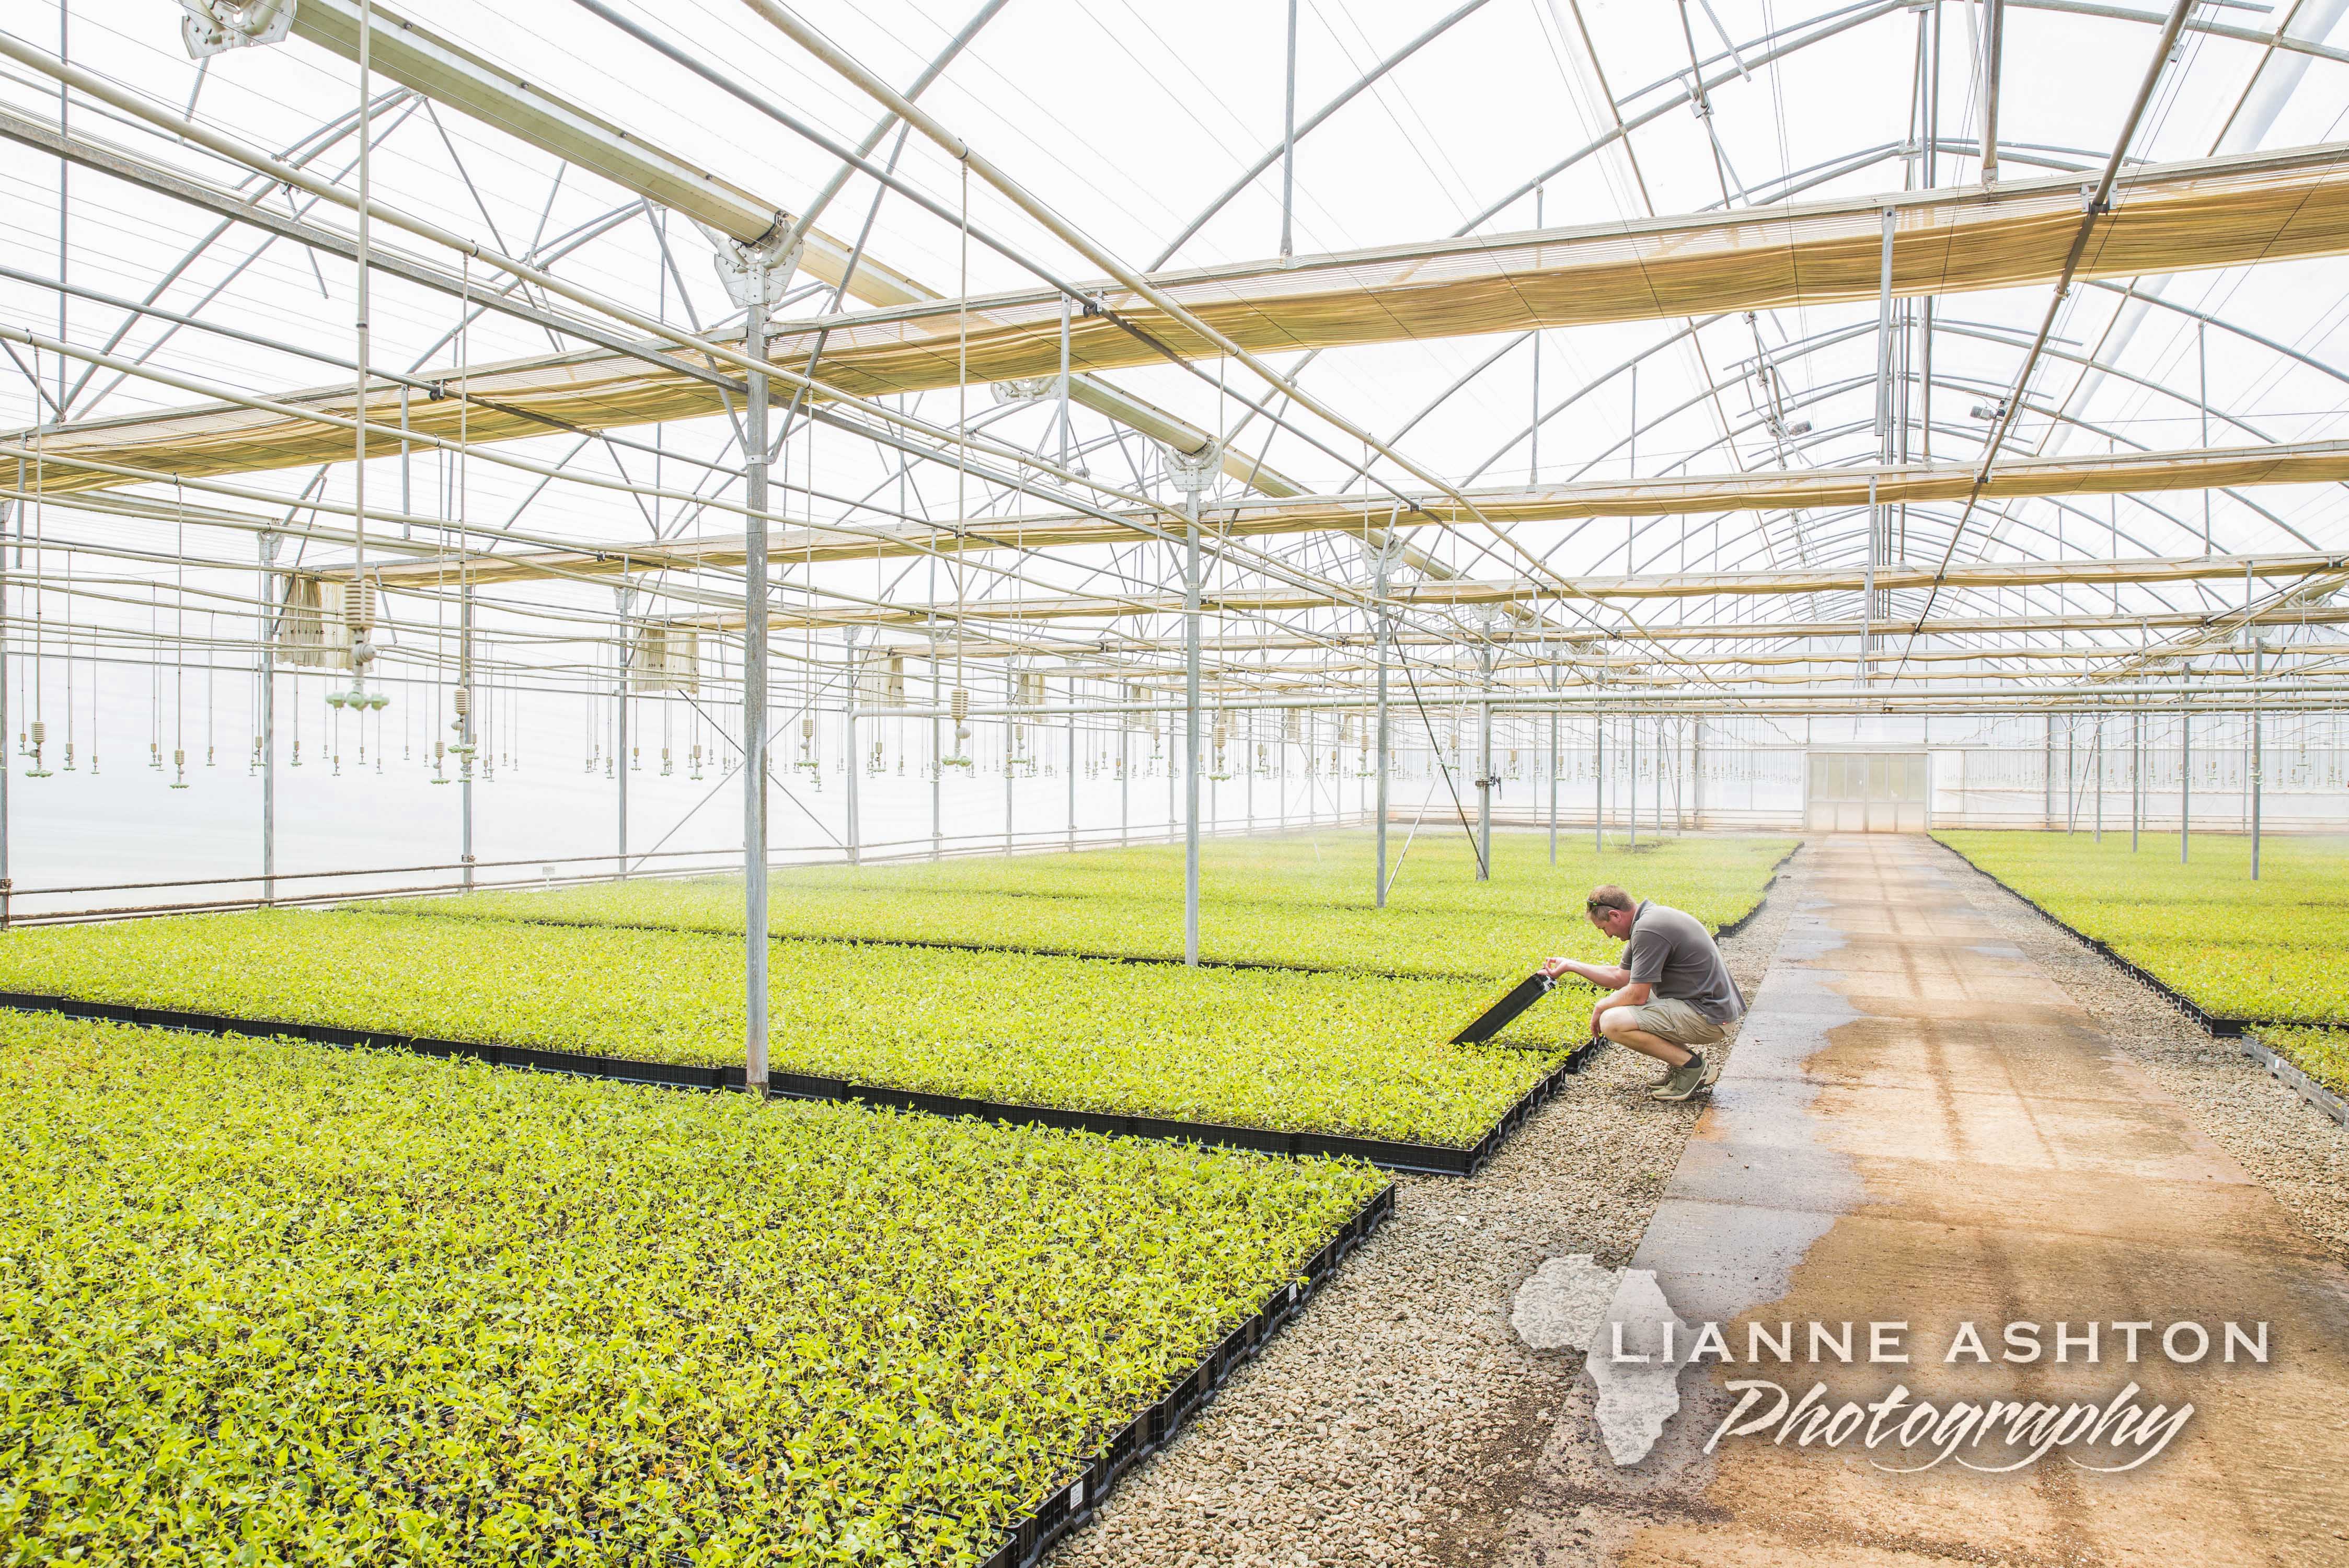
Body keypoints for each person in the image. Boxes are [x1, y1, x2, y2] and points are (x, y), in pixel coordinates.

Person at [1541, 884, 1743, 1102]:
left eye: (1604, 928)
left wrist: (1601, 1006)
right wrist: (1571, 965)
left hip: (1709, 1017)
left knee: (1612, 1022)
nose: (1608, 936)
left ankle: (1692, 1068)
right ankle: (1684, 1065)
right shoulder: (1647, 920)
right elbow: (1621, 977)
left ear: (1615, 915)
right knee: (1624, 1007)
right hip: (1707, 1008)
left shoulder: (1648, 930)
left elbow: (1637, 995)